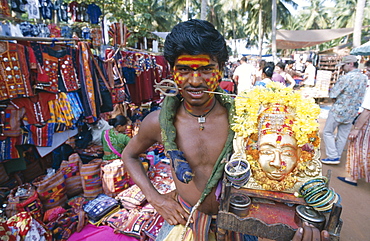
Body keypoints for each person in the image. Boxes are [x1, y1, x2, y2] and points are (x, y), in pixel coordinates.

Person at [121, 19, 329, 241]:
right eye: (184, 69)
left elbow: (286, 166)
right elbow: (129, 155)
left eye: (206, 69)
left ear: (221, 69)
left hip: (240, 224)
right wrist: (157, 199)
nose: (195, 80)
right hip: (187, 222)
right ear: (172, 71)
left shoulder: (246, 119)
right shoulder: (158, 123)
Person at [321, 55, 368, 165]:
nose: (342, 68)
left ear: (350, 64)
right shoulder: (364, 78)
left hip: (338, 110)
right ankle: (336, 155)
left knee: (327, 132)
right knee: (342, 135)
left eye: (343, 65)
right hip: (352, 112)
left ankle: (332, 156)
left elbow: (333, 94)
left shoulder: (346, 77)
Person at [338, 60, 370, 185]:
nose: (366, 73)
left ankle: (353, 177)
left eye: (369, 71)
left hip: (365, 123)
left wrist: (357, 128)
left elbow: (367, 110)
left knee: (357, 148)